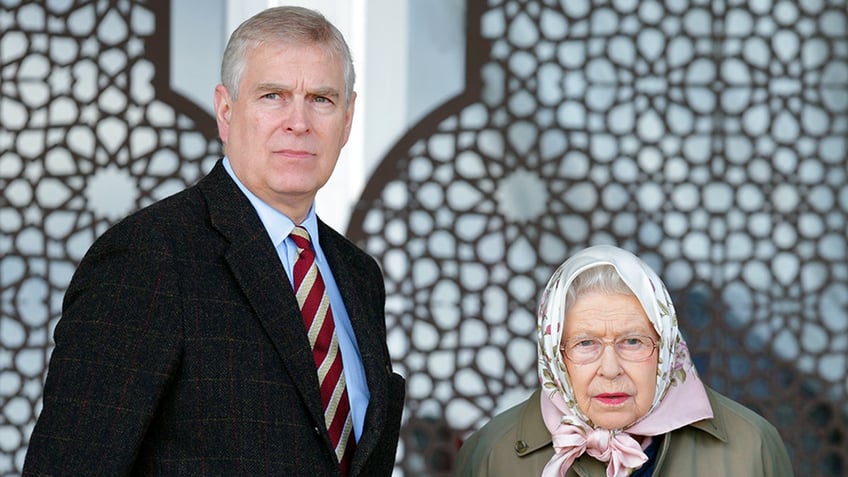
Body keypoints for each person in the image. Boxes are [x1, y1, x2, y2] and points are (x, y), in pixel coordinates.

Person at [24, 6, 404, 476]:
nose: (299, 122)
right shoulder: (150, 255)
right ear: (226, 111)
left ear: (347, 120)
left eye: (321, 99)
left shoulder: (359, 275)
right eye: (273, 95)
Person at [455, 245, 793, 476]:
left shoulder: (752, 446)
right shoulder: (492, 455)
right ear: (555, 357)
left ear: (666, 348)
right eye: (585, 343)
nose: (611, 369)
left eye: (632, 341)